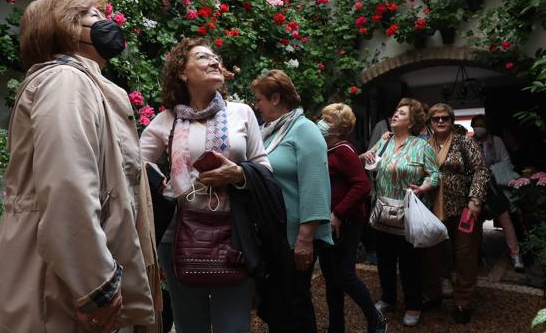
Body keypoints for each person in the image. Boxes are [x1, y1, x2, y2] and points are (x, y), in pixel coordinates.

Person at [0, 0, 159, 333]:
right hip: (60, 294)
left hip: (66, 283)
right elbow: (68, 187)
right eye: (92, 16)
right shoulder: (66, 81)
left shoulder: (85, 84)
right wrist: (97, 286)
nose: (105, 23)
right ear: (63, 26)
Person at [139, 38, 271, 333]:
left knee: (233, 326)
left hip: (235, 232)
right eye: (202, 57)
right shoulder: (166, 120)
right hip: (178, 235)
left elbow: (264, 168)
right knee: (189, 324)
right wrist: (162, 186)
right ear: (182, 73)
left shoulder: (242, 113)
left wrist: (238, 174)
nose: (214, 61)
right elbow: (132, 164)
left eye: (215, 57)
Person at [251, 69, 332, 333]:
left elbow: (316, 186)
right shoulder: (270, 132)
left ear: (275, 98)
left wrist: (305, 239)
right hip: (273, 236)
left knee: (295, 306)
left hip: (295, 237)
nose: (256, 105)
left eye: (259, 99)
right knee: (278, 307)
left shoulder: (304, 129)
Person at [361, 98, 440, 327]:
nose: (395, 115)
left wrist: (423, 187)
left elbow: (434, 175)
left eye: (402, 113)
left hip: (406, 211)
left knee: (410, 263)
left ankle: (413, 305)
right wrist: (364, 157)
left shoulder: (421, 146)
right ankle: (388, 298)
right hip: (382, 210)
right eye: (396, 111)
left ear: (412, 121)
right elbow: (363, 160)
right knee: (384, 260)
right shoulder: (383, 142)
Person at [317, 103, 387, 333]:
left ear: (338, 128)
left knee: (345, 275)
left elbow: (362, 185)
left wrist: (338, 213)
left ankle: (376, 319)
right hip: (329, 223)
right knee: (331, 278)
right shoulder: (331, 149)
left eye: (326, 120)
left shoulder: (343, 150)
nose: (320, 122)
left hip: (346, 222)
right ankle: (336, 328)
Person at [424, 103, 489, 324]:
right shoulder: (424, 145)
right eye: (436, 118)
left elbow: (481, 170)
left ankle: (463, 302)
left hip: (462, 209)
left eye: (445, 118)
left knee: (465, 256)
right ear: (430, 122)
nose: (440, 121)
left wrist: (475, 199)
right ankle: (433, 296)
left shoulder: (464, 142)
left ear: (452, 121)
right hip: (430, 209)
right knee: (431, 255)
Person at [471, 114, 525, 271]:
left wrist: (493, 171)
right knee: (476, 218)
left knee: (505, 217)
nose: (478, 128)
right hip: (476, 184)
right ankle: (476, 253)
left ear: (487, 127)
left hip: (494, 185)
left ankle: (515, 253)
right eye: (475, 125)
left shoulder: (496, 141)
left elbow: (505, 160)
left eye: (481, 125)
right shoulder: (470, 142)